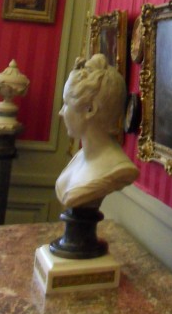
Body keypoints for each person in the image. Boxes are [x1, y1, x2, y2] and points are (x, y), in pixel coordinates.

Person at [55, 54, 139, 208]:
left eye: (66, 104)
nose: (61, 112)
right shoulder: (80, 157)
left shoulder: (118, 169)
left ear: (90, 109)